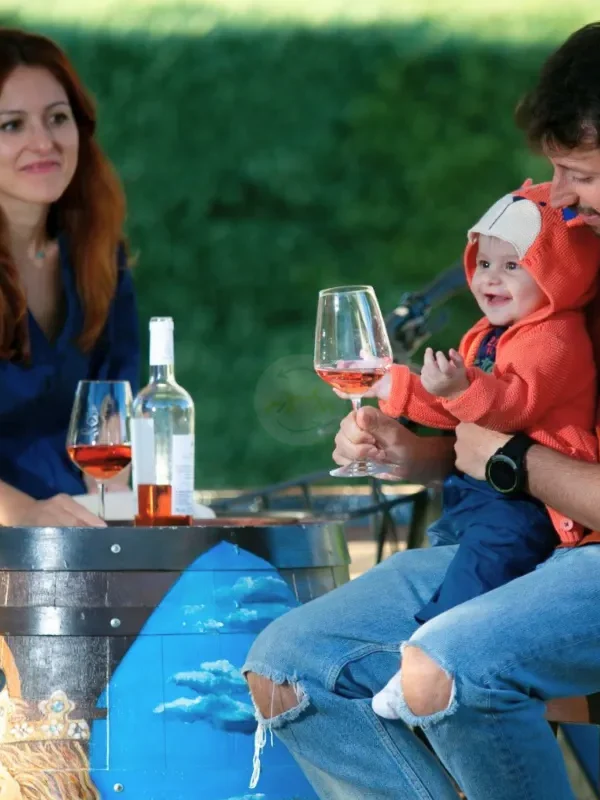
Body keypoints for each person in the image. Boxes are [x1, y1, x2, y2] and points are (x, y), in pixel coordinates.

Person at [243, 22, 600, 800]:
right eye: (555, 171)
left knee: (449, 667)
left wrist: (509, 459)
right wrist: (419, 454)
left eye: (580, 173)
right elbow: (511, 440)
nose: (561, 196)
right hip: (540, 540)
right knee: (288, 669)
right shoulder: (571, 269)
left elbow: (515, 450)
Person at [0, 28, 140, 528]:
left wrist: (113, 506)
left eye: (58, 118)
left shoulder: (96, 254)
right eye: (12, 125)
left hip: (77, 531)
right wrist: (24, 514)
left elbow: (114, 410)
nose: (44, 142)